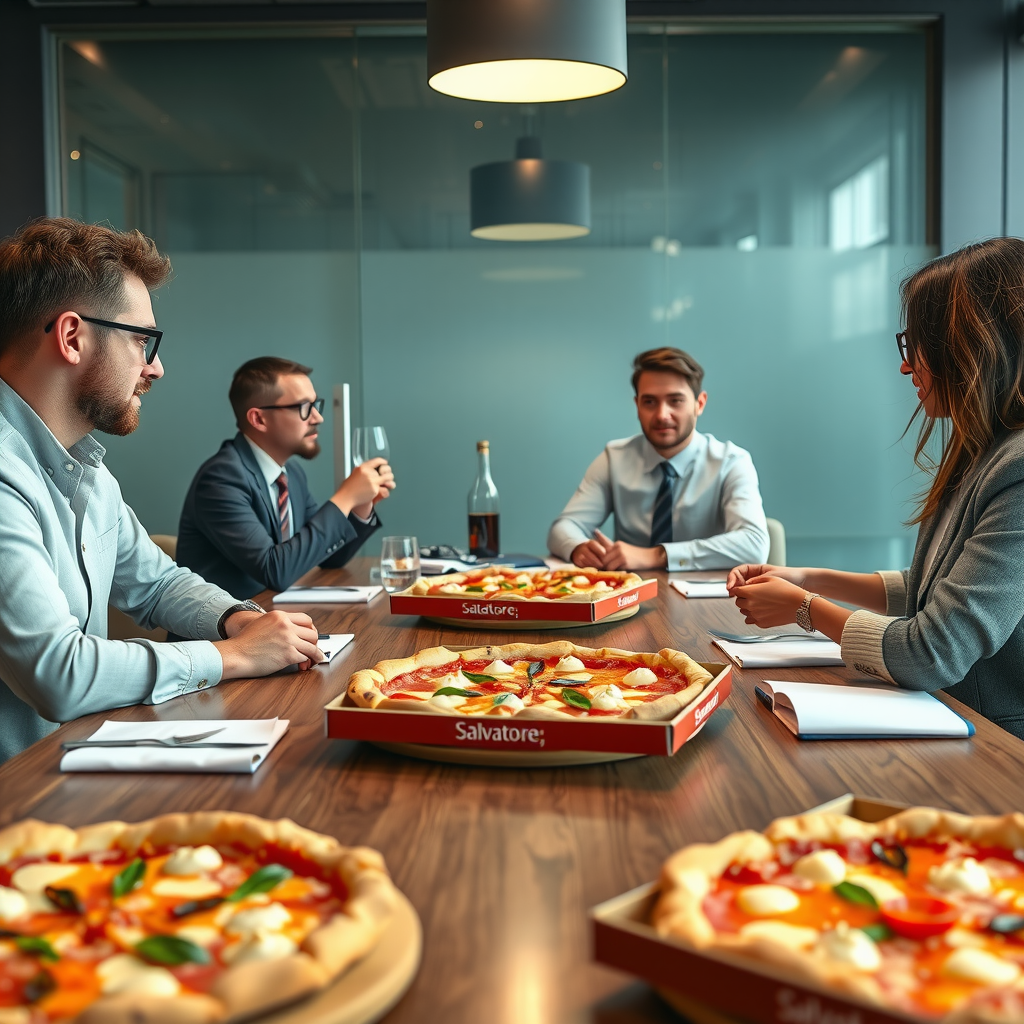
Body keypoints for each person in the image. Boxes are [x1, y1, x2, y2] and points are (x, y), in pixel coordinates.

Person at [0, 218, 325, 764]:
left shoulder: (90, 473)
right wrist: (235, 655)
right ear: (72, 337)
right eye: (143, 340)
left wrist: (238, 618)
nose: (157, 367)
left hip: (71, 769)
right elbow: (58, 674)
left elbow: (157, 584)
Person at [728, 237, 1024, 739]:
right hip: (951, 719)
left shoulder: (1015, 469)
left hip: (996, 744)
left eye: (916, 346)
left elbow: (931, 651)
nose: (907, 367)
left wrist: (804, 609)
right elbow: (933, 589)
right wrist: (810, 577)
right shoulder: (985, 450)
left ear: (971, 347)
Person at [176, 358, 394, 599]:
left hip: (271, 618)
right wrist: (345, 497)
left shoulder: (291, 474)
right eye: (303, 407)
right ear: (259, 419)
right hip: (224, 632)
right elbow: (275, 571)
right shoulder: (220, 480)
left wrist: (360, 505)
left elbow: (330, 557)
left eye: (315, 405)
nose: (317, 418)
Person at [547, 347, 770, 571]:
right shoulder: (614, 458)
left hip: (707, 602)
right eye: (650, 402)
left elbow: (754, 544)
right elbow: (564, 527)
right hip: (628, 597)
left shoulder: (731, 462)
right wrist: (578, 547)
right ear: (637, 405)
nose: (662, 415)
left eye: (675, 401)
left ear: (699, 404)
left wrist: (658, 556)